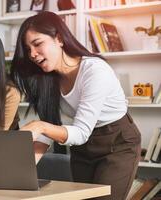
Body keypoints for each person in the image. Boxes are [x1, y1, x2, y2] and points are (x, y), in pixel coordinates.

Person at [10, 11, 141, 200]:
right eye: (27, 49)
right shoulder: (47, 79)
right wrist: (21, 173)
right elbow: (49, 130)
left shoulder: (95, 71)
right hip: (82, 149)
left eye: (37, 44)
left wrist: (39, 126)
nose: (32, 54)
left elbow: (80, 132)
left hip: (117, 143)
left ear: (59, 39)